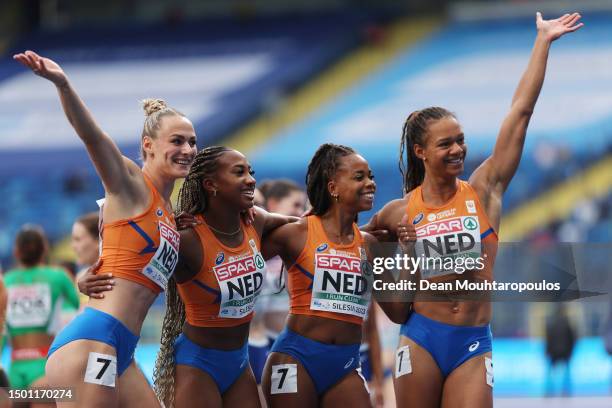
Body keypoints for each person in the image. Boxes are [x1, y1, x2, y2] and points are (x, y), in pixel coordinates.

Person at [364, 12, 583, 408]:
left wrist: (543, 42)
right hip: (420, 338)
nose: (458, 150)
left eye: (460, 141)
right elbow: (356, 241)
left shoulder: (484, 188)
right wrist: (396, 269)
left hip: (473, 341)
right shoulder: (398, 212)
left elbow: (520, 114)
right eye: (445, 144)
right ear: (421, 152)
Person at [14, 50, 197, 406]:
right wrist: (62, 84)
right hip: (93, 340)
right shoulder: (129, 183)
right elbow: (92, 137)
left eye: (192, 141)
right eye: (176, 141)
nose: (187, 149)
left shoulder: (169, 213)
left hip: (121, 349)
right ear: (149, 146)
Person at [259, 143, 414, 407]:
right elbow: (238, 250)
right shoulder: (297, 234)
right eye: (359, 177)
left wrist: (410, 254)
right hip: (295, 360)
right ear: (333, 188)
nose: (370, 183)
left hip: (345, 365)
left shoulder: (369, 246)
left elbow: (398, 311)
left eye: (371, 176)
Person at [152, 146, 298, 408]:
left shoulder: (257, 222)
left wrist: (371, 235)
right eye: (239, 172)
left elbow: (308, 230)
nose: (251, 179)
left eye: (250, 172)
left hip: (240, 362)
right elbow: (134, 257)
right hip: (198, 365)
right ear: (211, 184)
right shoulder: (187, 238)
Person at [4, 225, 79, 392]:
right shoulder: (59, 276)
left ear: (16, 252)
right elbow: (77, 307)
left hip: (15, 366)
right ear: (44, 250)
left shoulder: (5, 282)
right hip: (44, 364)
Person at [249, 179, 307, 385]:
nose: (301, 211)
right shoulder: (259, 246)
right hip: (248, 343)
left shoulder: (283, 247)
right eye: (296, 205)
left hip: (269, 343)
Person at [545, 303, 576, 396]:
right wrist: (570, 351)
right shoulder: (567, 323)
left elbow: (548, 339)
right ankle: (565, 391)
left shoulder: (551, 323)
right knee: (566, 373)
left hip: (554, 352)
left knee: (551, 372)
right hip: (565, 352)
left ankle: (550, 391)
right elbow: (572, 338)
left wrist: (548, 351)